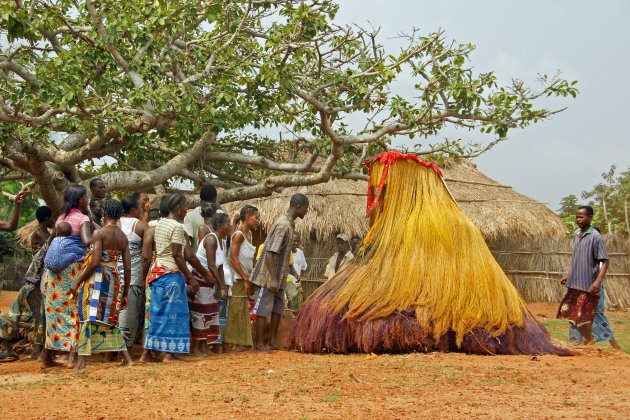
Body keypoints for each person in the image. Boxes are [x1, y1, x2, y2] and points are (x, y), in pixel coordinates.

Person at [70, 199, 133, 370]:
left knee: (88, 315)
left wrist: (77, 282)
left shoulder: (99, 233)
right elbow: (127, 268)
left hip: (97, 279)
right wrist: (125, 293)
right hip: (114, 279)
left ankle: (82, 362)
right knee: (109, 319)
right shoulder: (123, 237)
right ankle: (126, 358)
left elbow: (95, 261)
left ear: (104, 213)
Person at [144, 194, 207, 362]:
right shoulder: (178, 227)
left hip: (157, 273)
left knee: (158, 313)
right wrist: (190, 278)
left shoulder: (160, 224)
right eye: (185, 206)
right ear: (178, 208)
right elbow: (177, 255)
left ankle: (147, 353)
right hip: (171, 275)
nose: (187, 210)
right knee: (175, 314)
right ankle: (170, 354)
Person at [40, 185, 92, 368]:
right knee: (73, 311)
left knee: (54, 312)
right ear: (79, 200)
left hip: (55, 273)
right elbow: (87, 241)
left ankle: (47, 356)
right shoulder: (83, 218)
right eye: (86, 197)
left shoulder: (61, 217)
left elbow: (54, 239)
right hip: (71, 270)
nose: (88, 199)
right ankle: (71, 358)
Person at [251, 193, 309, 352]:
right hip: (268, 276)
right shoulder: (283, 225)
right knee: (263, 309)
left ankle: (272, 341)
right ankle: (259, 343)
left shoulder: (290, 225)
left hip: (280, 275)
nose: (306, 211)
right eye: (305, 208)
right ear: (298, 207)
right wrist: (272, 278)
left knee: (277, 307)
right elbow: (270, 252)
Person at [558, 206, 610, 345]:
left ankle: (588, 340)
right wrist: (569, 276)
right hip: (574, 284)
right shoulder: (576, 235)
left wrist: (597, 282)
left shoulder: (595, 237)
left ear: (590, 217)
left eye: (581, 217)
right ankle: (588, 341)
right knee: (569, 314)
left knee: (580, 317)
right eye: (577, 217)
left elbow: (605, 261)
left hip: (587, 285)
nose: (578, 219)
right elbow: (578, 260)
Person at [567, 227, 621, 350]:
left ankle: (614, 344)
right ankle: (577, 343)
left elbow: (600, 269)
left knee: (597, 313)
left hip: (593, 287)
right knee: (576, 313)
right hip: (579, 287)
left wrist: (596, 282)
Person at [190, 213, 230, 355]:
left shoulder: (221, 241)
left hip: (209, 282)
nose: (230, 227)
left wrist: (222, 286)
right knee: (202, 312)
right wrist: (223, 287)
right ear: (220, 226)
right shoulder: (211, 239)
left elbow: (219, 267)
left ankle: (204, 345)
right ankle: (196, 346)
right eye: (228, 224)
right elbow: (212, 266)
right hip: (201, 279)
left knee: (210, 312)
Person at [224, 205, 260, 351]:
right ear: (247, 217)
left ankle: (241, 342)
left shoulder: (249, 235)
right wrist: (245, 278)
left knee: (242, 310)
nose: (258, 221)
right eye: (256, 218)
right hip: (237, 278)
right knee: (236, 310)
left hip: (245, 277)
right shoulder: (238, 235)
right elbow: (233, 258)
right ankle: (230, 343)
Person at [117, 195, 149, 350]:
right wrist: (143, 276)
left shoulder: (115, 223)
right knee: (129, 312)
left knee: (115, 311)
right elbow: (146, 256)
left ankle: (111, 350)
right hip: (134, 275)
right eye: (141, 208)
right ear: (135, 210)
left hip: (116, 273)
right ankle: (125, 348)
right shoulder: (141, 226)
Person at [184, 184, 222, 250]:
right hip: (217, 258)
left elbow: (188, 243)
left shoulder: (190, 216)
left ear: (200, 197)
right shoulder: (221, 214)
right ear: (215, 198)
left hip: (197, 259)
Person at [286, 234, 307, 311]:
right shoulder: (286, 253)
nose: (295, 243)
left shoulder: (300, 253)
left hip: (297, 285)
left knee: (298, 307)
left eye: (297, 241)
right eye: (294, 240)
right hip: (287, 283)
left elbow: (304, 267)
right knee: (289, 307)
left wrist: (299, 277)